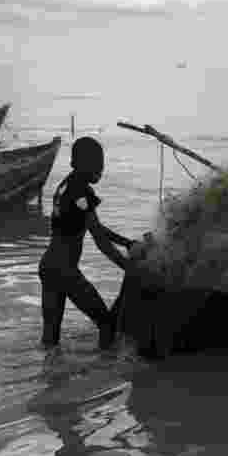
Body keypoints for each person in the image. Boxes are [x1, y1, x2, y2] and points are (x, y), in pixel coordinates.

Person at [38, 137, 132, 349]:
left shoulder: (66, 185)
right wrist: (128, 267)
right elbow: (100, 241)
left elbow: (93, 225)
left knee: (50, 339)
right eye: (98, 164)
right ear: (84, 164)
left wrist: (126, 242)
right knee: (107, 324)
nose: (102, 169)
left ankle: (50, 378)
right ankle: (104, 371)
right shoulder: (82, 192)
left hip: (48, 268)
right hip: (65, 272)